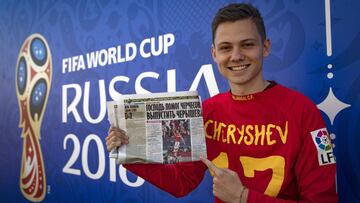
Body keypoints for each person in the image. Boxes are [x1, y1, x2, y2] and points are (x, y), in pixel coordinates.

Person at [105, 3, 338, 203]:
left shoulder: (303, 112)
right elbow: (182, 182)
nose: (236, 56)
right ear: (214, 53)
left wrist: (243, 197)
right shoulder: (204, 112)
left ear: (265, 47)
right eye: (226, 47)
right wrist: (128, 153)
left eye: (247, 44)